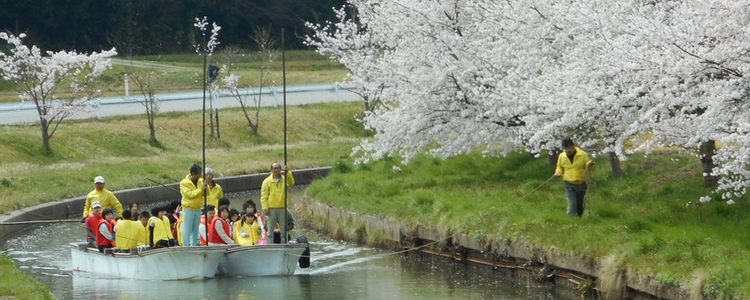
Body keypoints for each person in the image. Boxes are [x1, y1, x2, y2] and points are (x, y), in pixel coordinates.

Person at [554, 138, 596, 217]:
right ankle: (571, 220)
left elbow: (588, 167)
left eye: (569, 148)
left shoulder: (582, 154)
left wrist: (591, 165)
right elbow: (559, 167)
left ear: (573, 146)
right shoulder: (562, 156)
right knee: (572, 204)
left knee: (581, 205)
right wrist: (558, 172)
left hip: (582, 183)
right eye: (566, 148)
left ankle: (579, 217)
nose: (568, 150)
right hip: (569, 183)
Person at [261, 163, 295, 243]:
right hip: (271, 209)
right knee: (270, 230)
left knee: (284, 230)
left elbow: (291, 183)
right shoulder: (267, 182)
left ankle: (284, 244)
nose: (276, 170)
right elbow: (264, 196)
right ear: (271, 170)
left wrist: (288, 173)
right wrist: (265, 208)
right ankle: (270, 245)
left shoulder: (284, 179)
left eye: (278, 168)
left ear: (281, 169)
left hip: (282, 208)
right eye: (274, 168)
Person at [180, 164, 206, 247]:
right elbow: (189, 194)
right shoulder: (184, 183)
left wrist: (206, 187)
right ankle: (186, 245)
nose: (200, 175)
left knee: (196, 228)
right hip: (189, 208)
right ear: (194, 174)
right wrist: (200, 190)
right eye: (199, 174)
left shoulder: (201, 181)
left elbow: (205, 194)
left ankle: (194, 244)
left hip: (198, 208)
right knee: (188, 228)